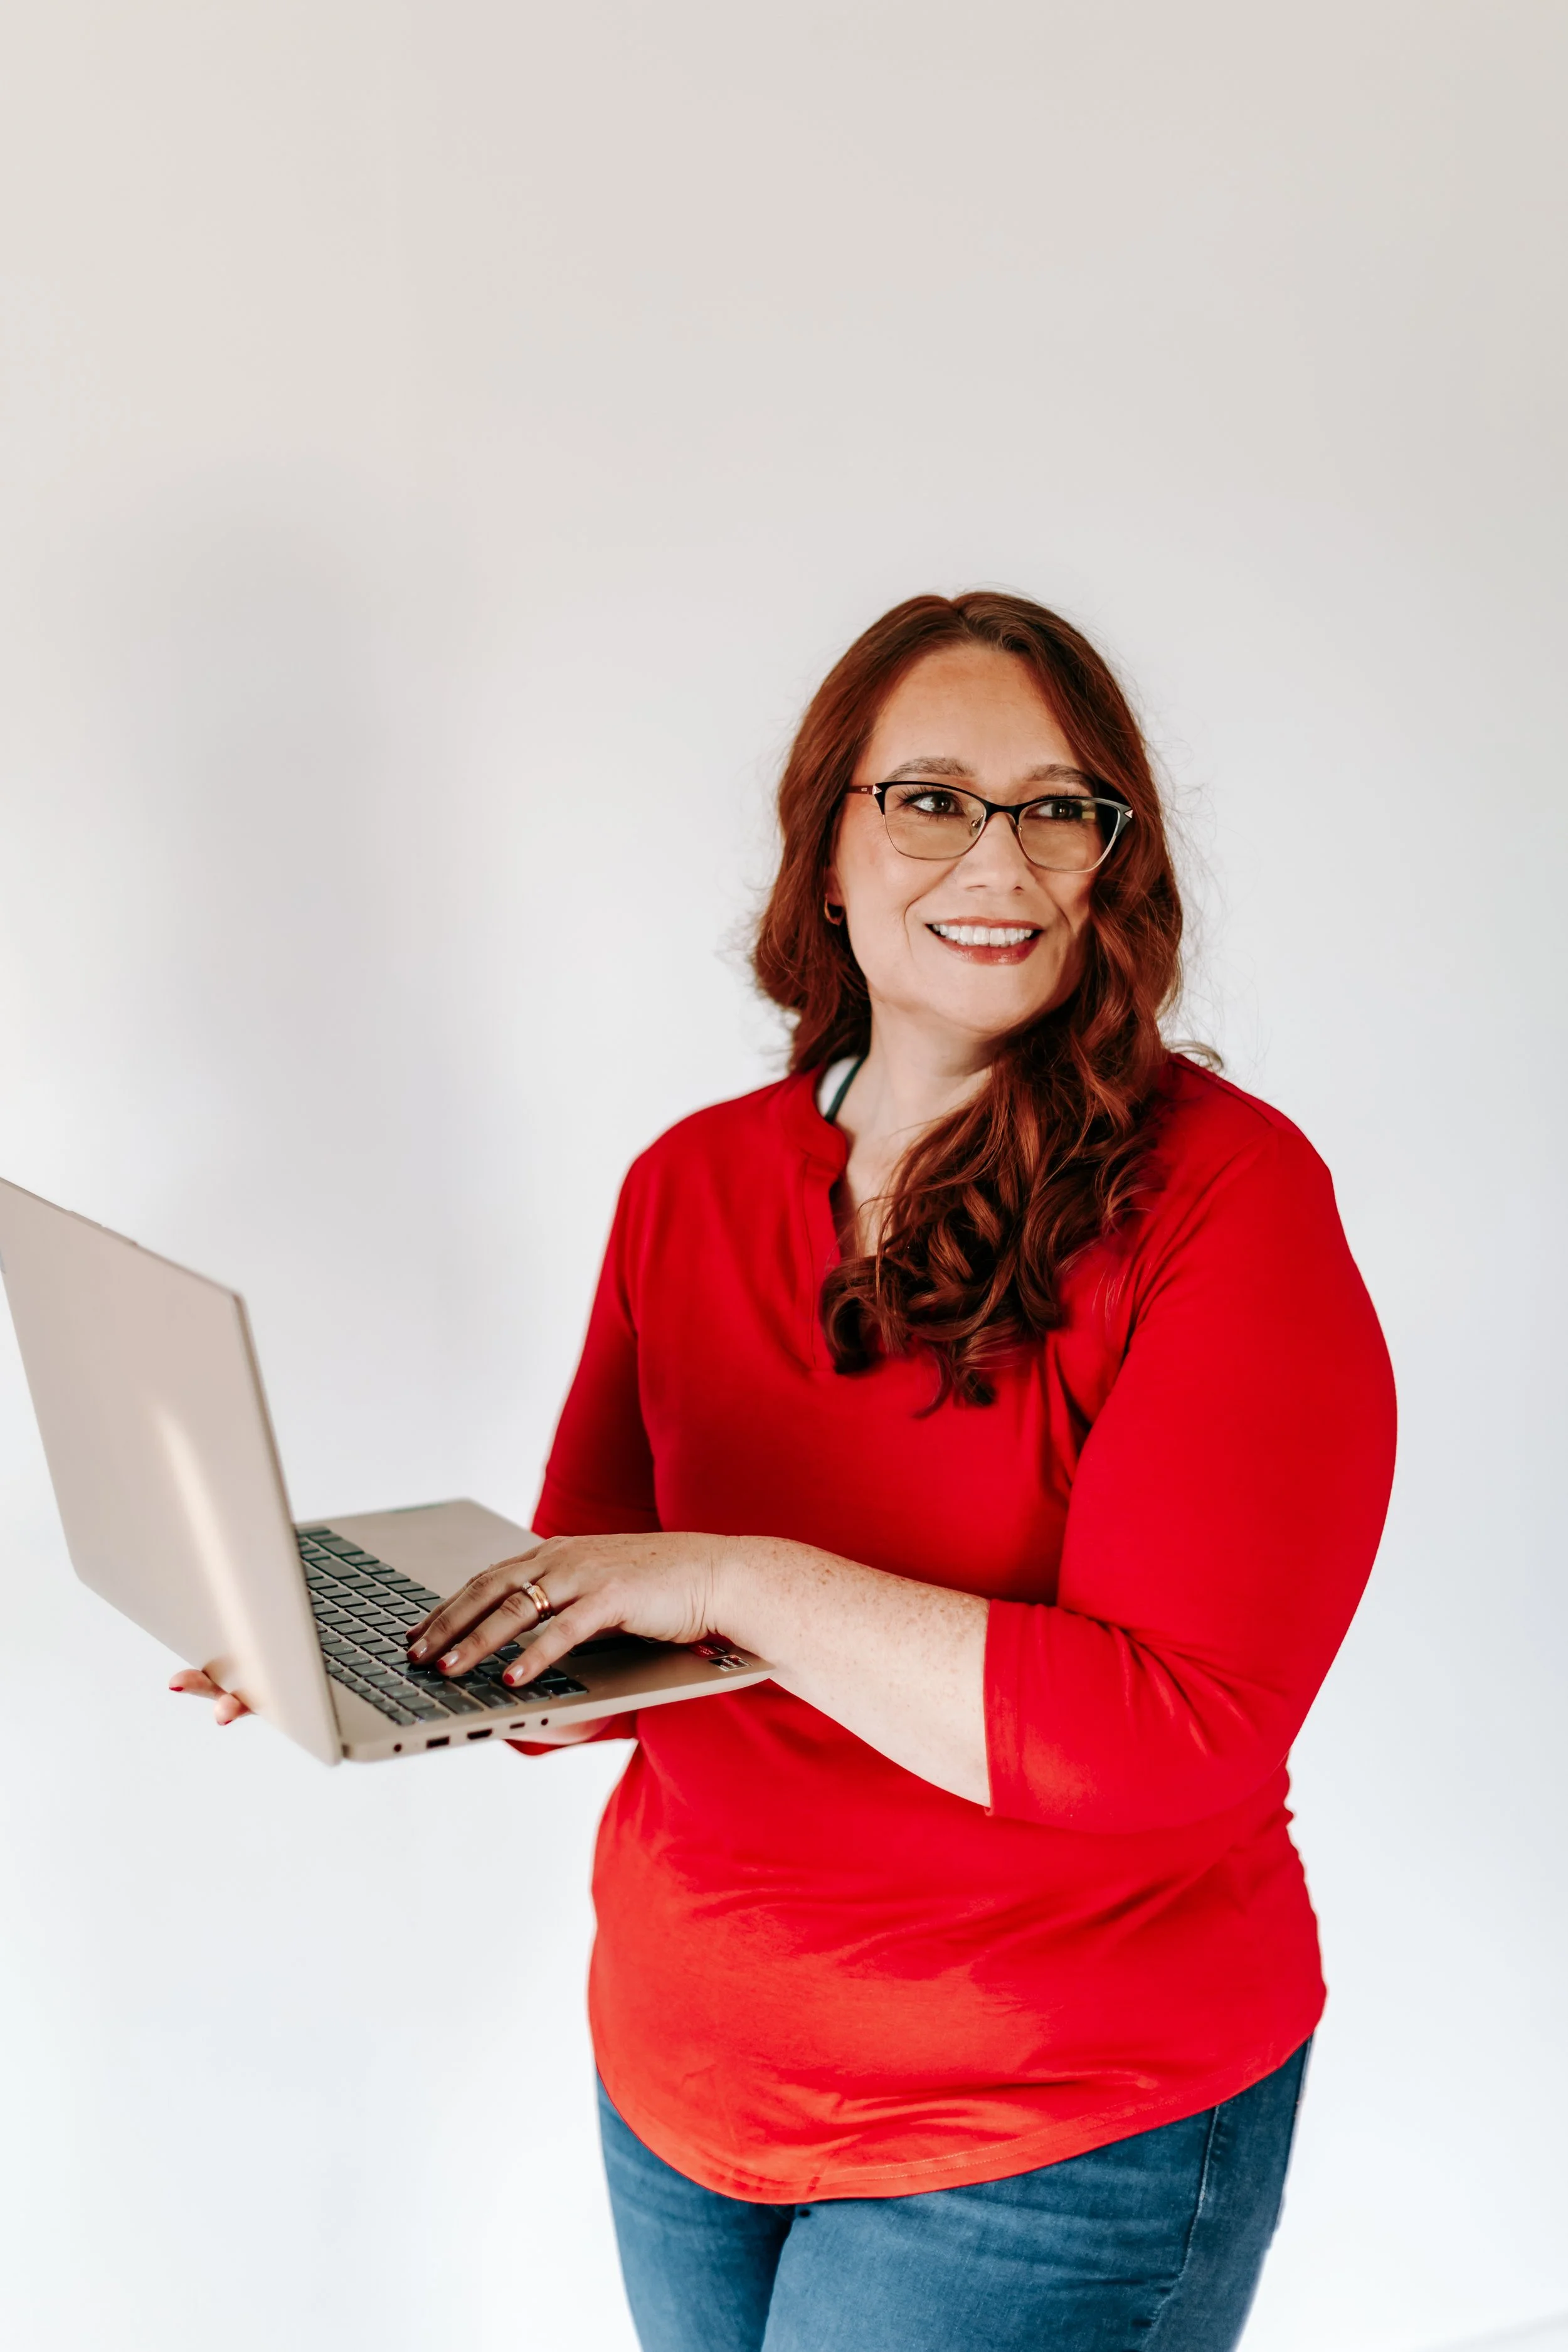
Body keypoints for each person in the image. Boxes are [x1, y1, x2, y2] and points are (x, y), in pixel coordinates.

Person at [177, 591, 1396, 2351]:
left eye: (1060, 805)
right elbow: (607, 1621)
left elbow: (1173, 1731)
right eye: (929, 795)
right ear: (825, 846)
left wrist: (740, 1573)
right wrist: (384, 1645)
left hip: (1048, 2121)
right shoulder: (689, 1183)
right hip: (681, 2074)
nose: (999, 852)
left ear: (1109, 863)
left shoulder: (1224, 1197)